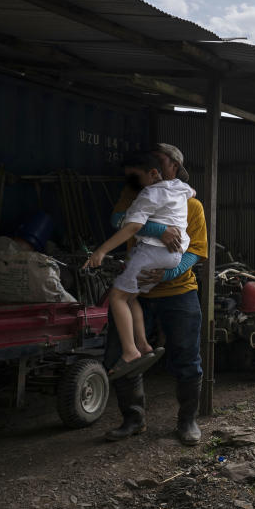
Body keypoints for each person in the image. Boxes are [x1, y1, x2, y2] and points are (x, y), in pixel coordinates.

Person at [102, 144, 208, 445]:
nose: (155, 168)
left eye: (160, 162)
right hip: (137, 290)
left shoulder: (193, 206)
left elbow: (197, 251)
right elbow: (118, 222)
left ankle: (187, 421)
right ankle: (133, 419)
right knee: (121, 354)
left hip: (179, 290)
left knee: (186, 357)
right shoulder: (133, 193)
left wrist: (168, 273)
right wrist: (159, 229)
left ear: (174, 167)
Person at [85, 152, 193, 379]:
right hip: (172, 254)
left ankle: (129, 351)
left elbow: (130, 227)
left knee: (116, 297)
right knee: (130, 297)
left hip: (150, 253)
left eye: (135, 178)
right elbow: (192, 192)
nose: (131, 183)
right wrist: (163, 224)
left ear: (153, 173)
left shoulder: (148, 193)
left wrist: (101, 251)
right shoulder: (179, 187)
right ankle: (143, 345)